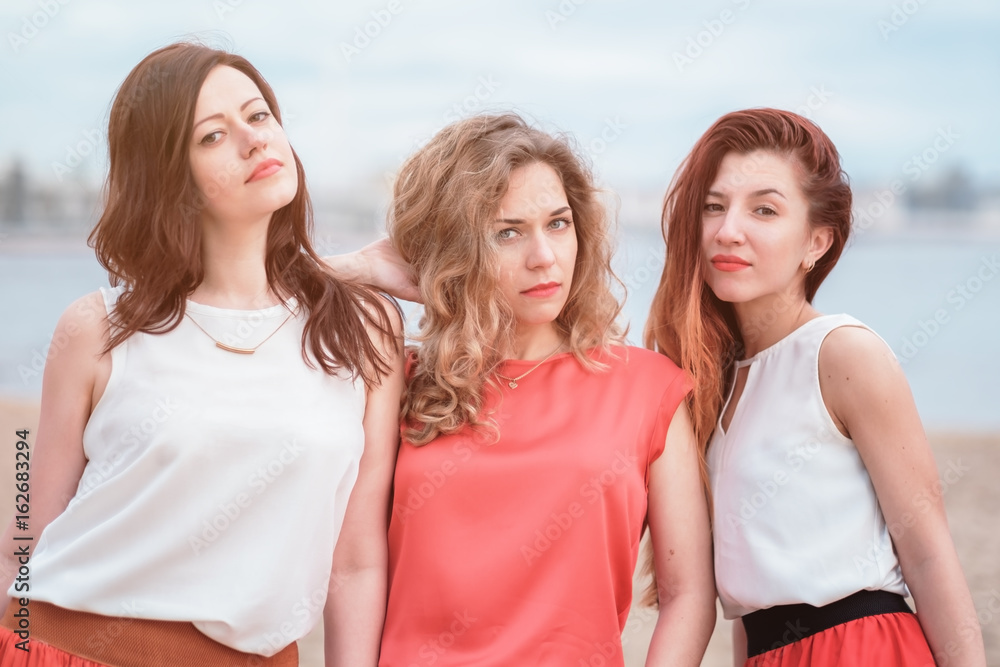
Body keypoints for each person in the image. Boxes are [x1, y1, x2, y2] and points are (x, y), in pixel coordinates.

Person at [0, 42, 404, 667]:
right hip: (63, 647)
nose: (253, 139)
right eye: (213, 136)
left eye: (259, 115)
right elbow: (24, 539)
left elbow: (354, 563)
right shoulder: (97, 328)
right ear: (170, 178)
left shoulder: (363, 331)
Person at [334, 113, 716, 665]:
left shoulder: (647, 389)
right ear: (457, 248)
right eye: (507, 233)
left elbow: (689, 596)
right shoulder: (402, 381)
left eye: (557, 224)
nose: (544, 257)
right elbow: (352, 567)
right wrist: (354, 268)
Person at [644, 108, 986, 666]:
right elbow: (751, 598)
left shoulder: (843, 354)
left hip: (864, 650)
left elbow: (928, 554)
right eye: (713, 206)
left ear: (817, 242)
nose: (728, 230)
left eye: (764, 209)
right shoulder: (710, 385)